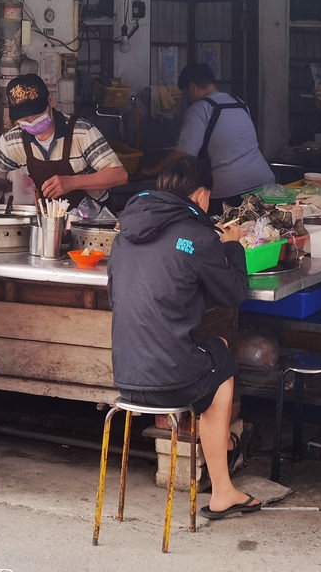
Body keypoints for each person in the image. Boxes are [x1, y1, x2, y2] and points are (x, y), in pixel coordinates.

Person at [107, 155, 260, 520]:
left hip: (125, 378)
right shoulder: (197, 235)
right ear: (202, 194)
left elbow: (118, 294)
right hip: (170, 380)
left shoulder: (124, 234)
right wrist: (233, 245)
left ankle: (223, 453)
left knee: (212, 357)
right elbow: (233, 293)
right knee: (221, 355)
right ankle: (222, 489)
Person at [0, 74, 127, 214]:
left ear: (51, 102)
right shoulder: (15, 140)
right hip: (52, 225)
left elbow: (119, 175)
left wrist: (72, 182)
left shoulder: (82, 132)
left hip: (94, 224)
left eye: (36, 115)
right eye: (24, 118)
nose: (31, 122)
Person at [143, 63, 274, 215]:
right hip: (264, 183)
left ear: (192, 87)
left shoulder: (200, 109)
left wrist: (153, 170)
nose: (188, 98)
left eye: (186, 93)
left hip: (229, 191)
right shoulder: (240, 104)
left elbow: (184, 153)